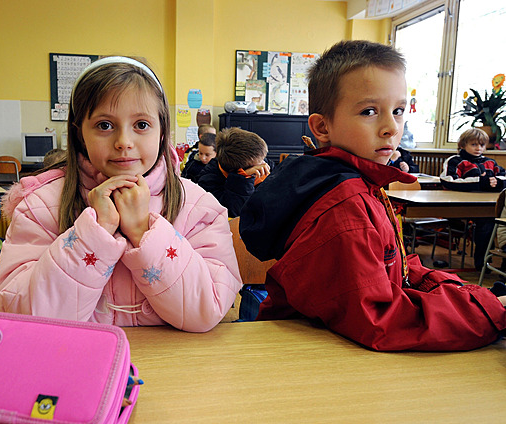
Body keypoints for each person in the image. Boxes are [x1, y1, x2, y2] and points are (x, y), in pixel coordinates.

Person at [238, 40, 506, 351]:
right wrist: (493, 312)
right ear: (322, 127)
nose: (391, 127)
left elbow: (399, 268)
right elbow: (382, 320)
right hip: (307, 361)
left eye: (398, 110)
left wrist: (479, 297)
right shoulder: (346, 207)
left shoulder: (363, 185)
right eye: (369, 111)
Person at [0, 56, 242, 331]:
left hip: (172, 365)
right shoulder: (40, 206)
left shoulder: (197, 206)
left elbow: (208, 309)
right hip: (76, 364)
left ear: (161, 132)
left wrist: (142, 230)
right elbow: (26, 316)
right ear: (79, 134)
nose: (123, 142)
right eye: (104, 125)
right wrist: (95, 233)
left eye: (142, 125)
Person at [440, 128, 506, 270]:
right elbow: (448, 180)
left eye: (482, 145)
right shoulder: (455, 161)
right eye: (474, 145)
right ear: (463, 145)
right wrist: (480, 182)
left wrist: (498, 182)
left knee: (489, 222)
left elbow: (503, 176)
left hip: (485, 206)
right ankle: (482, 260)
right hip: (459, 206)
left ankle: (483, 261)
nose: (478, 148)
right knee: (485, 223)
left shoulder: (490, 162)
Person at [197, 127, 273, 218]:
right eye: (259, 163)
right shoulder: (208, 182)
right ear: (240, 170)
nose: (264, 164)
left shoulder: (259, 161)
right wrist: (242, 179)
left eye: (263, 159)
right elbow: (237, 215)